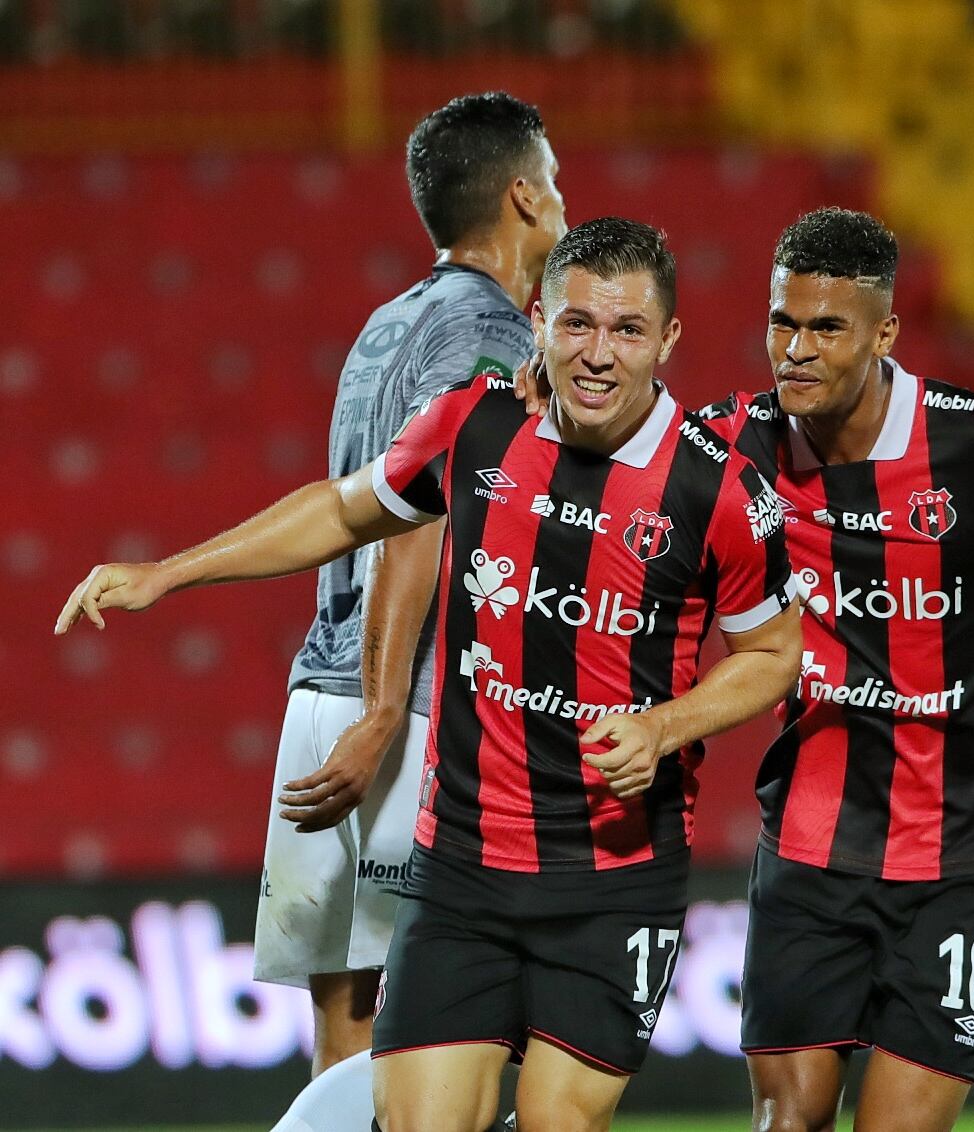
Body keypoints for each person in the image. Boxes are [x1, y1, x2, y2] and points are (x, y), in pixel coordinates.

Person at [57, 218, 802, 1132]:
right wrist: (165, 572)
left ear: (669, 339)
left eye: (627, 330)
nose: (598, 354)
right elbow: (340, 511)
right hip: (462, 870)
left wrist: (663, 728)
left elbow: (773, 656)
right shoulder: (475, 423)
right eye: (576, 325)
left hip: (617, 878)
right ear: (537, 318)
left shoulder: (719, 489)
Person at [514, 206, 974, 1131]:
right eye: (782, 322)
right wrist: (540, 399)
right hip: (807, 848)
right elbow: (601, 449)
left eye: (827, 328)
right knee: (786, 1123)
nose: (796, 349)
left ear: (885, 333)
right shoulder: (732, 446)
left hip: (962, 855)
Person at [265, 90, 564, 1084]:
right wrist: (389, 713)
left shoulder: (385, 326)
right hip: (412, 715)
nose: (563, 203)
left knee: (343, 1040)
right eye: (554, 182)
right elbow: (419, 517)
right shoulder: (491, 334)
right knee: (447, 1039)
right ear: (523, 196)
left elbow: (353, 503)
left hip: (321, 693)